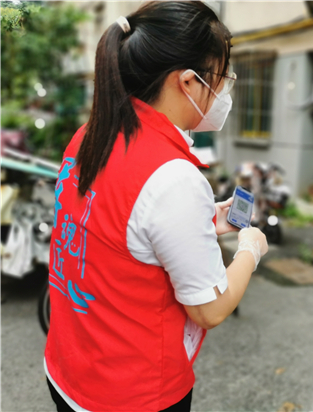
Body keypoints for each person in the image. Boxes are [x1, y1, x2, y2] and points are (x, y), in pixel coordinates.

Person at [44, 2, 268, 411]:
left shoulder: (91, 135)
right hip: (131, 391)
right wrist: (251, 249)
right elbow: (210, 309)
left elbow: (114, 228)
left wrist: (197, 223)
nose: (224, 90)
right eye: (222, 77)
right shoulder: (172, 177)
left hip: (68, 367)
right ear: (187, 82)